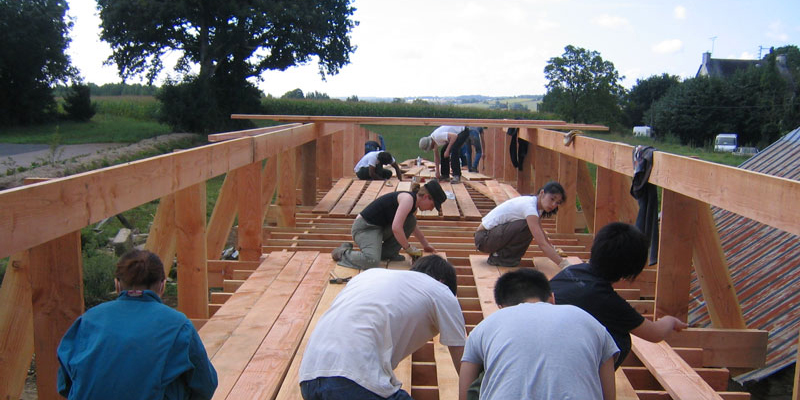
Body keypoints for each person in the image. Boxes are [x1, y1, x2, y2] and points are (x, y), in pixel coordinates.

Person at [299, 255, 466, 400]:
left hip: (309, 380)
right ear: (442, 282)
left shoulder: (368, 275)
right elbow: (464, 363)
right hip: (352, 382)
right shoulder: (441, 291)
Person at [57, 250, 218, 400]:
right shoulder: (178, 324)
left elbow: (64, 384)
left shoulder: (88, 320)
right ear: (162, 285)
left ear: (117, 285)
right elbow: (205, 385)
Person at [459, 268, 618, 400]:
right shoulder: (590, 322)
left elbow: (464, 394)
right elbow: (609, 396)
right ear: (552, 298)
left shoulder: (485, 327)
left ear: (501, 306)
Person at [550, 222, 689, 369]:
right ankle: (591, 386)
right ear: (628, 270)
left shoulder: (573, 270)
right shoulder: (606, 300)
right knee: (620, 338)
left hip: (536, 349)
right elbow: (655, 334)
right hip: (559, 365)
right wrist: (670, 321)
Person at [332, 180, 447, 268]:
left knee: (411, 220)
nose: (431, 209)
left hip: (379, 228)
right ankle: (343, 253)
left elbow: (412, 226)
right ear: (426, 197)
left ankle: (387, 253)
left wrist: (425, 244)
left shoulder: (413, 204)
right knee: (372, 261)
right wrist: (409, 248)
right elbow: (396, 228)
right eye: (432, 205)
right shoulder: (408, 199)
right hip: (365, 228)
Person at [474, 181, 569, 268]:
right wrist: (564, 265)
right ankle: (499, 258)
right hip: (484, 238)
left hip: (489, 237)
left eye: (557, 203)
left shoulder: (535, 207)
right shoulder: (529, 207)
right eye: (552, 199)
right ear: (542, 193)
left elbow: (542, 234)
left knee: (530, 226)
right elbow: (541, 243)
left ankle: (504, 257)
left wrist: (553, 249)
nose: (553, 205)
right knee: (527, 226)